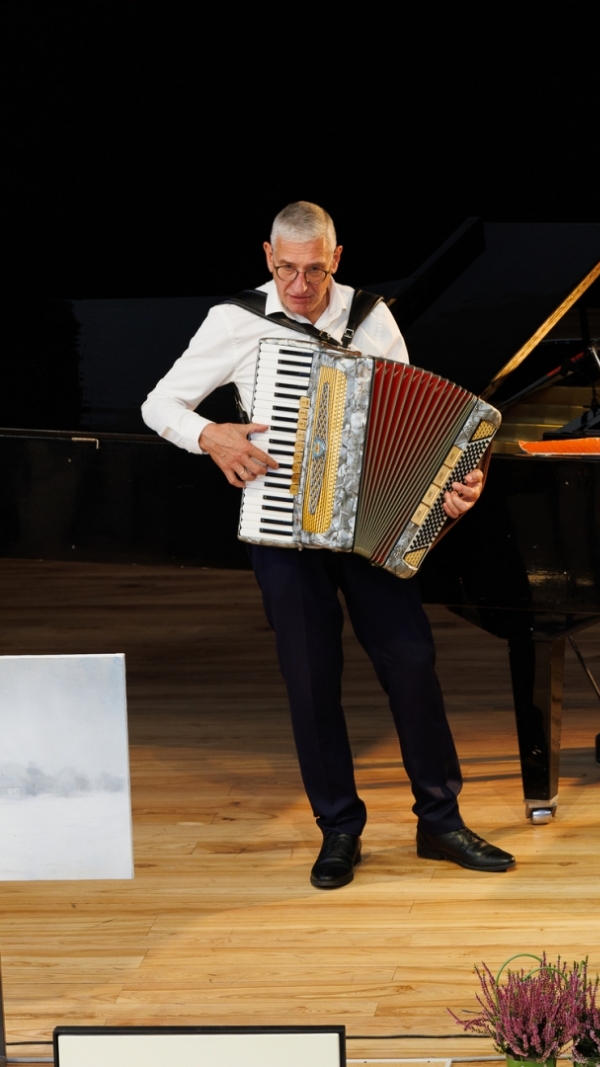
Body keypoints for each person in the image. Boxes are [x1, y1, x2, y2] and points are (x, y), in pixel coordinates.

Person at [141, 201, 514, 889]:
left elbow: (424, 424)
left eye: (314, 270)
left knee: (411, 662)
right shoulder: (236, 322)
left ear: (336, 259)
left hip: (370, 530)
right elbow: (158, 403)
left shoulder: (371, 317)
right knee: (311, 680)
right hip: (284, 531)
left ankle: (440, 819)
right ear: (267, 256)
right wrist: (210, 435)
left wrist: (459, 487)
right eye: (287, 269)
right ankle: (339, 828)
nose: (300, 286)